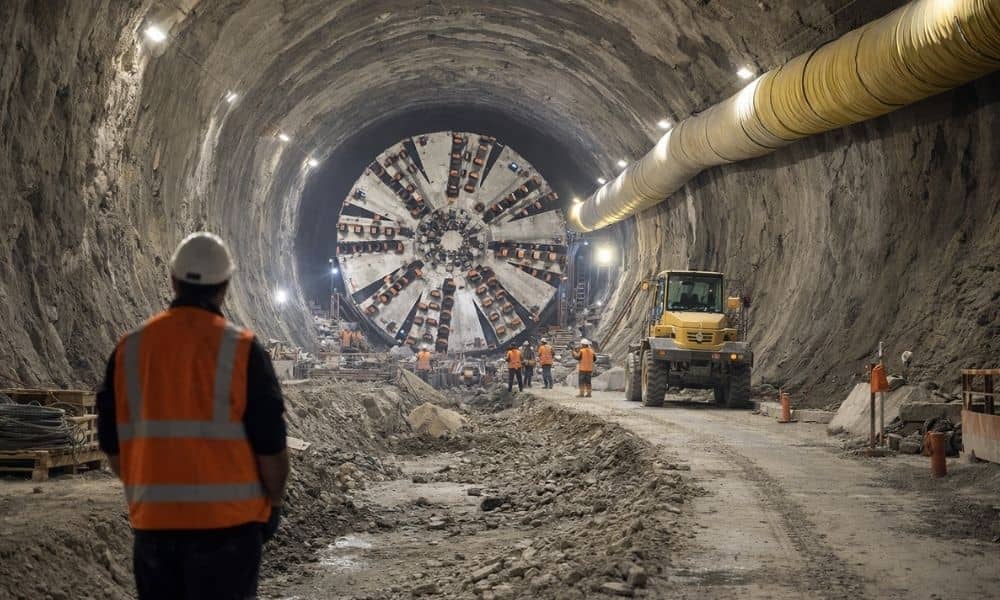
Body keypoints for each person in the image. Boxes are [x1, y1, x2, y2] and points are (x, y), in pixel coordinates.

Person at [96, 232, 289, 600]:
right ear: (226, 286)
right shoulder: (243, 350)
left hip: (154, 529)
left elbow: (111, 442)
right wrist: (274, 503)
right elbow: (271, 445)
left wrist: (146, 490)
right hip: (229, 529)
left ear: (172, 280)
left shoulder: (129, 349)